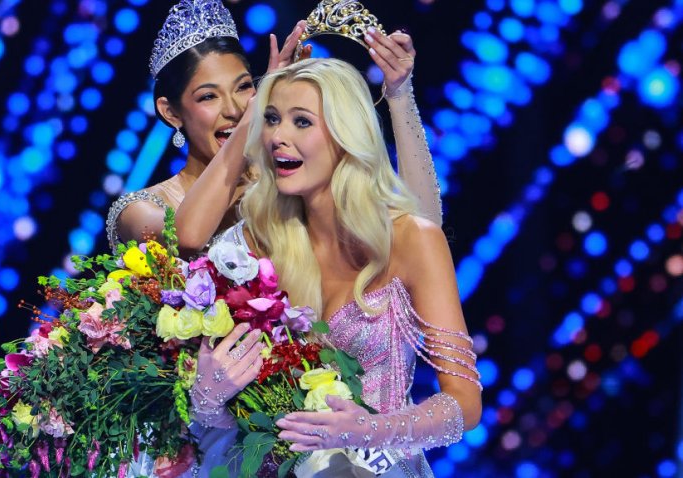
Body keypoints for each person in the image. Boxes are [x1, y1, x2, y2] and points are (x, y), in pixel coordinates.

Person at [190, 57, 482, 477]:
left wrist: (368, 429)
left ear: (346, 135)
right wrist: (208, 397)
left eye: (302, 122)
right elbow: (234, 418)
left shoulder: (412, 239)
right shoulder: (252, 245)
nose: (278, 137)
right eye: (271, 119)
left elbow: (464, 404)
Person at [106, 0, 442, 258]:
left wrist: (400, 94)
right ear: (170, 112)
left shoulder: (290, 185)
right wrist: (256, 116)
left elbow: (422, 228)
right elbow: (189, 239)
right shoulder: (141, 210)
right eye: (209, 96)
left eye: (243, 88)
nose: (236, 110)